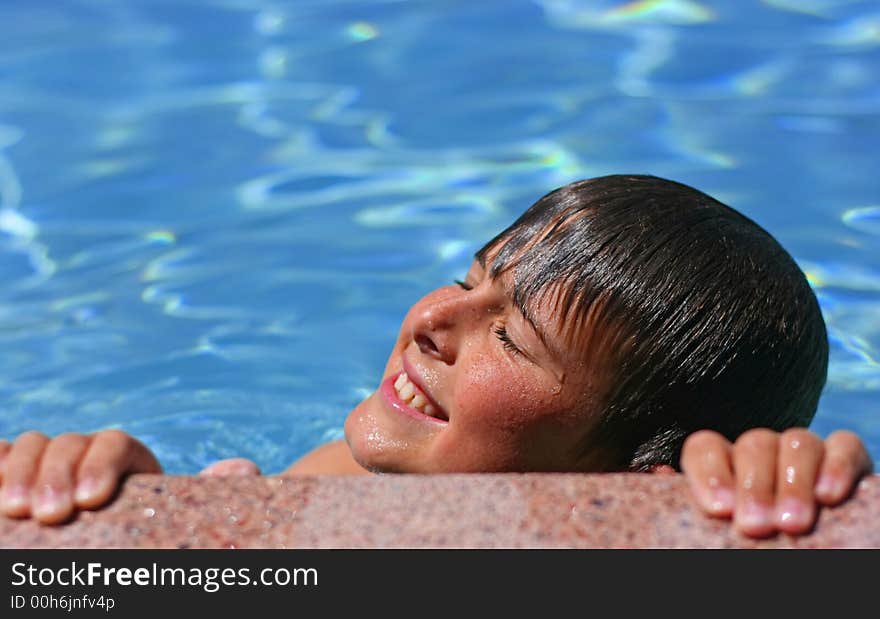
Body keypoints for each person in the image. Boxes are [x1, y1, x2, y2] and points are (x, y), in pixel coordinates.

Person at [0, 175, 872, 540]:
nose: (429, 317)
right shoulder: (338, 477)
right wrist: (136, 510)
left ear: (638, 483)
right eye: (466, 279)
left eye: (509, 334)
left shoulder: (657, 515)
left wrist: (769, 498)